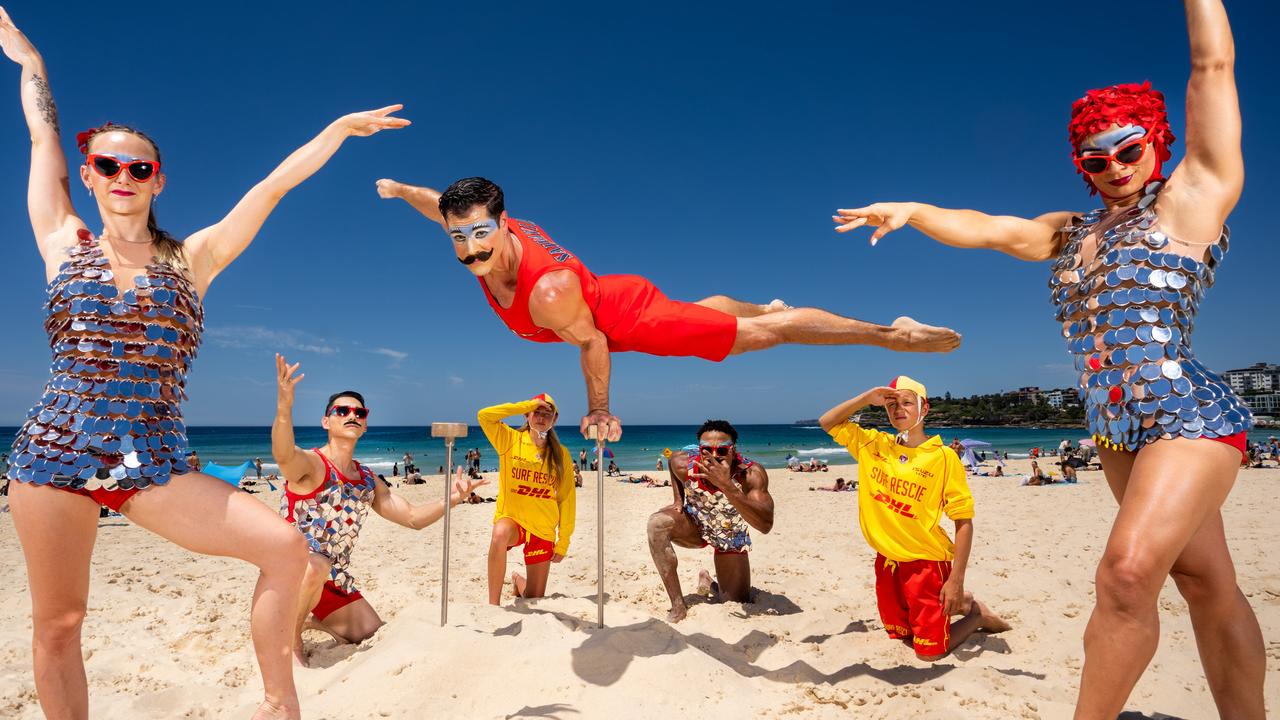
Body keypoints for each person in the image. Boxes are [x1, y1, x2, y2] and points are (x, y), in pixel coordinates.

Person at [834, 3, 1262, 714]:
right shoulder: (1070, 232)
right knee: (1207, 585)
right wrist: (914, 208)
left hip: (1187, 416)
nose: (1116, 168)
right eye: (1097, 160)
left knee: (1125, 577)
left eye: (1129, 150)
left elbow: (1212, 67)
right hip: (1118, 432)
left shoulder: (1189, 200)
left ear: (1156, 141)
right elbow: (990, 230)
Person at [0, 9, 410, 718]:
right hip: (53, 451)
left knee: (285, 549)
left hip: (151, 459)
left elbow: (272, 187)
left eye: (139, 167)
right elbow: (41, 135)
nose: (121, 175)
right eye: (106, 165)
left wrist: (338, 130)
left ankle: (280, 705)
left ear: (157, 180)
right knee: (60, 623)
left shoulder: (193, 259)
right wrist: (30, 58)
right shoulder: (62, 240)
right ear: (90, 176)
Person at [376, 176, 961, 442]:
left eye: (480, 234)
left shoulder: (547, 291)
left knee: (761, 337)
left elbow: (591, 343)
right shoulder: (474, 229)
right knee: (710, 310)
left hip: (627, 322)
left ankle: (890, 334)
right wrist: (401, 191)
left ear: (503, 224)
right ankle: (760, 303)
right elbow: (437, 205)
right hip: (615, 291)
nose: (470, 249)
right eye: (458, 237)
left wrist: (600, 408)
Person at [272, 355, 484, 666]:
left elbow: (412, 518)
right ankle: (289, 640)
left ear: (366, 423)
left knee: (373, 632)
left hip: (332, 579)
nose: (351, 415)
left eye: (359, 412)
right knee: (315, 565)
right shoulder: (312, 464)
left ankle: (314, 619)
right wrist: (284, 406)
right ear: (326, 421)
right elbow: (283, 454)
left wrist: (453, 498)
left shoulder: (367, 480)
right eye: (342, 411)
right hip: (293, 573)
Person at [820, 376, 1010, 661]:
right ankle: (961, 602)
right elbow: (828, 422)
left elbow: (963, 521)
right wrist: (864, 397)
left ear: (925, 408)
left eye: (907, 402)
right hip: (887, 562)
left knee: (929, 654)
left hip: (926, 564)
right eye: (892, 403)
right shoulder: (873, 445)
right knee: (901, 635)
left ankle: (976, 615)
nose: (899, 409)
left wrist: (956, 580)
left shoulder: (943, 457)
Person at [647, 421, 775, 623]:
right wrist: (678, 499)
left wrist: (727, 485)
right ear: (700, 449)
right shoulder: (683, 464)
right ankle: (678, 605)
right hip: (695, 525)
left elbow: (765, 524)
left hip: (730, 536)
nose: (714, 455)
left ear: (733, 450)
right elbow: (671, 462)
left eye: (722, 450)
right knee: (657, 523)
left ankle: (709, 583)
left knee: (735, 600)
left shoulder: (750, 474)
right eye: (707, 449)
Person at [478, 394, 576, 605]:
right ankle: (493, 605)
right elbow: (484, 416)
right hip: (514, 522)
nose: (541, 417)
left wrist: (563, 541)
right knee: (499, 532)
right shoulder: (509, 439)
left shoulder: (561, 454)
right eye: (536, 412)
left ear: (555, 419)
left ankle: (517, 580)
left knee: (533, 598)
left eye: (546, 414)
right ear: (527, 414)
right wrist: (525, 405)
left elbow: (567, 498)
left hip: (543, 529)